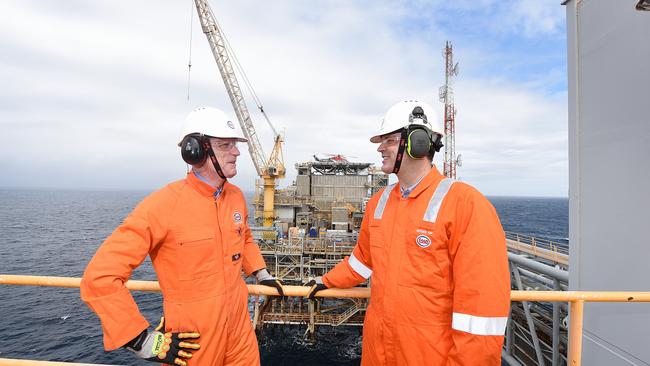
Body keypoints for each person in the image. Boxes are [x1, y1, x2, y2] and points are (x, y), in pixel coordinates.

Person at [306, 99, 510, 365]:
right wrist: (326, 282)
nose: (380, 148)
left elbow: (482, 314)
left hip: (428, 356)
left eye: (389, 140)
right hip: (378, 354)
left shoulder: (466, 205)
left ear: (418, 142)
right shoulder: (379, 202)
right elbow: (362, 261)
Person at [80, 106, 284, 365]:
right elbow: (99, 278)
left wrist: (261, 274)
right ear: (195, 151)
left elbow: (243, 238)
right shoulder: (162, 206)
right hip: (193, 341)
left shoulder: (235, 197)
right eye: (225, 145)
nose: (236, 152)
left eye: (234, 144)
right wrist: (142, 342)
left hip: (241, 331)